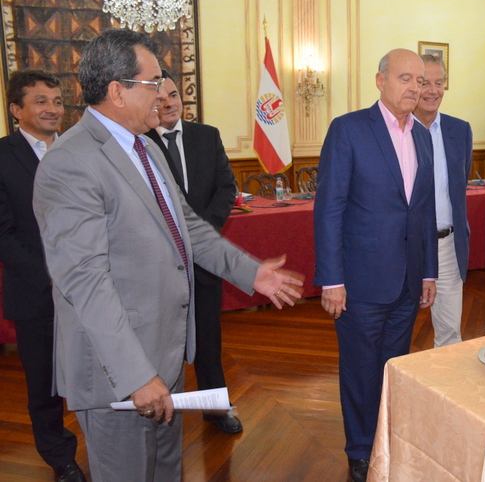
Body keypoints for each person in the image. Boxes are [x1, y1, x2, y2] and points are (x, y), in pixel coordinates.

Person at [31, 28, 304, 481]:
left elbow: (189, 227)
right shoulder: (71, 162)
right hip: (119, 372)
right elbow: (85, 282)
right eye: (153, 82)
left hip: (166, 353)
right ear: (118, 92)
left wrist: (250, 272)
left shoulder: (146, 147)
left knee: (166, 472)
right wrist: (136, 375)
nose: (163, 93)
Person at [314, 48, 437, 482]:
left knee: (392, 367)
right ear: (380, 80)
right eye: (406, 78)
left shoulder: (422, 134)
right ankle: (360, 451)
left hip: (407, 280)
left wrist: (428, 272)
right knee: (361, 371)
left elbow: (422, 210)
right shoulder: (348, 130)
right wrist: (332, 279)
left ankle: (386, 439)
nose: (415, 88)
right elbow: (329, 208)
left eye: (420, 80)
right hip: (360, 281)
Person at [0, 70, 86, 482]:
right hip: (38, 292)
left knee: (94, 370)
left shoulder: (79, 150)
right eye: (40, 101)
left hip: (92, 288)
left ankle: (104, 439)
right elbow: (3, 234)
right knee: (46, 387)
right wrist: (52, 276)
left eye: (56, 100)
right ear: (16, 110)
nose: (52, 109)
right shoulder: (2, 156)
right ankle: (60, 458)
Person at [147, 69, 242, 434]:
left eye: (172, 95)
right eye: (158, 98)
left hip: (203, 261)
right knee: (161, 343)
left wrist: (201, 234)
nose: (168, 103)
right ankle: (161, 414)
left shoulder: (207, 136)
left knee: (208, 341)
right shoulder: (140, 143)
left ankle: (216, 410)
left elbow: (226, 188)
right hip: (159, 263)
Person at [412, 54, 472, 347]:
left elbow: (458, 191)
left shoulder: (460, 131)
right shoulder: (394, 130)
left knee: (450, 335)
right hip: (403, 247)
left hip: (447, 245)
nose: (432, 90)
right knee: (395, 331)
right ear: (411, 84)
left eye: (439, 82)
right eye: (424, 82)